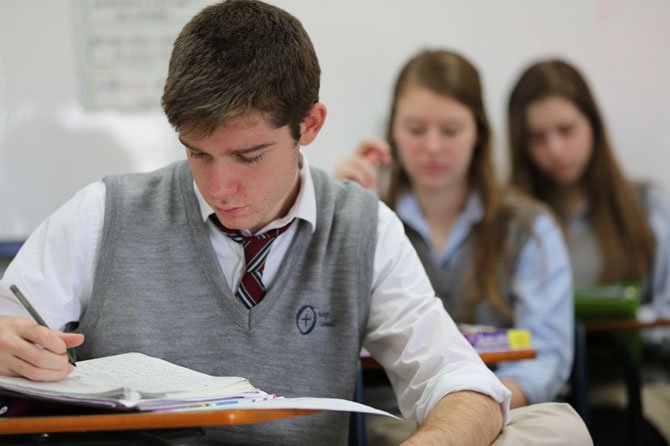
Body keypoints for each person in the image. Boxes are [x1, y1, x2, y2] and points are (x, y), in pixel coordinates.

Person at [0, 2, 592, 445]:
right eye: (197, 153)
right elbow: (8, 327)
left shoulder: (364, 229)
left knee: (556, 430)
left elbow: (460, 381)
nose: (217, 186)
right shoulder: (104, 213)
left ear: (310, 125)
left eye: (249, 157)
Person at [335, 49, 574, 410]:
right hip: (390, 417)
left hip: (506, 411)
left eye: (450, 130)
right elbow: (323, 340)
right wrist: (336, 215)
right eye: (416, 130)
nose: (432, 147)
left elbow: (547, 355)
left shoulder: (529, 228)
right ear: (392, 133)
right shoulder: (367, 219)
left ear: (478, 132)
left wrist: (479, 410)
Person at [507, 58, 670, 443]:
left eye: (567, 130)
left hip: (634, 389)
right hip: (543, 398)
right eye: (537, 137)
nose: (556, 148)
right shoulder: (516, 223)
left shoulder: (646, 207)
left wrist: (631, 319)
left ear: (593, 124)